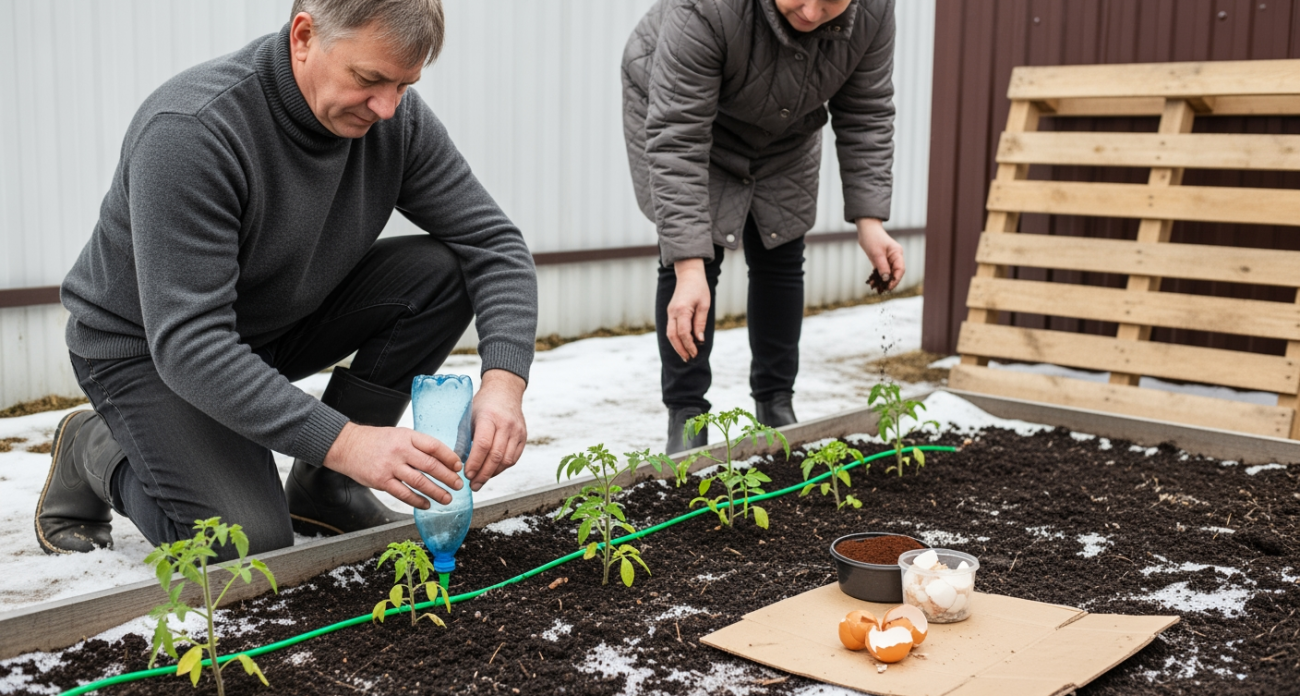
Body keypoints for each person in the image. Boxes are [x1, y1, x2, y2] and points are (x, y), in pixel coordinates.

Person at [35, 0, 537, 558]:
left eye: (404, 84)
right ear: (304, 37)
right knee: (245, 549)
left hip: (272, 324)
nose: (388, 108)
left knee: (446, 272)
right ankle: (94, 450)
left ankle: (326, 489)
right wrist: (347, 441)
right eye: (370, 79)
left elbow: (493, 244)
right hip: (148, 351)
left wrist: (504, 382)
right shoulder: (194, 129)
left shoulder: (395, 122)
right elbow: (191, 343)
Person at [622, 0, 904, 453]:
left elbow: (866, 109)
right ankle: (687, 417)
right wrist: (688, 267)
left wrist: (870, 222)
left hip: (786, 130)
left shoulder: (874, 10)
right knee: (695, 256)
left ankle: (776, 407)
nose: (812, 14)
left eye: (830, 2)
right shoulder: (706, 9)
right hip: (686, 119)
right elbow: (679, 138)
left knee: (781, 247)